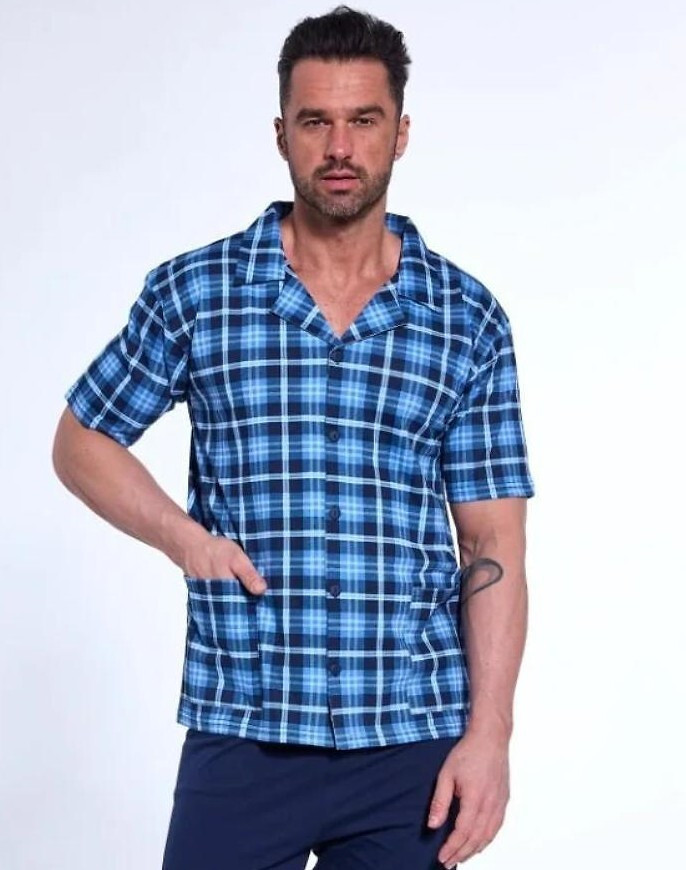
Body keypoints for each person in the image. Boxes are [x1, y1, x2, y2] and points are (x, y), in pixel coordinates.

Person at [52, 6, 536, 869]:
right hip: (246, 726)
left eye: (364, 120)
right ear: (281, 134)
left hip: (410, 743)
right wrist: (184, 539)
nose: (340, 147)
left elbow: (492, 541)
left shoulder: (466, 318)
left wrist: (490, 735)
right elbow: (81, 439)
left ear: (402, 132)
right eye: (316, 122)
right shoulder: (198, 292)